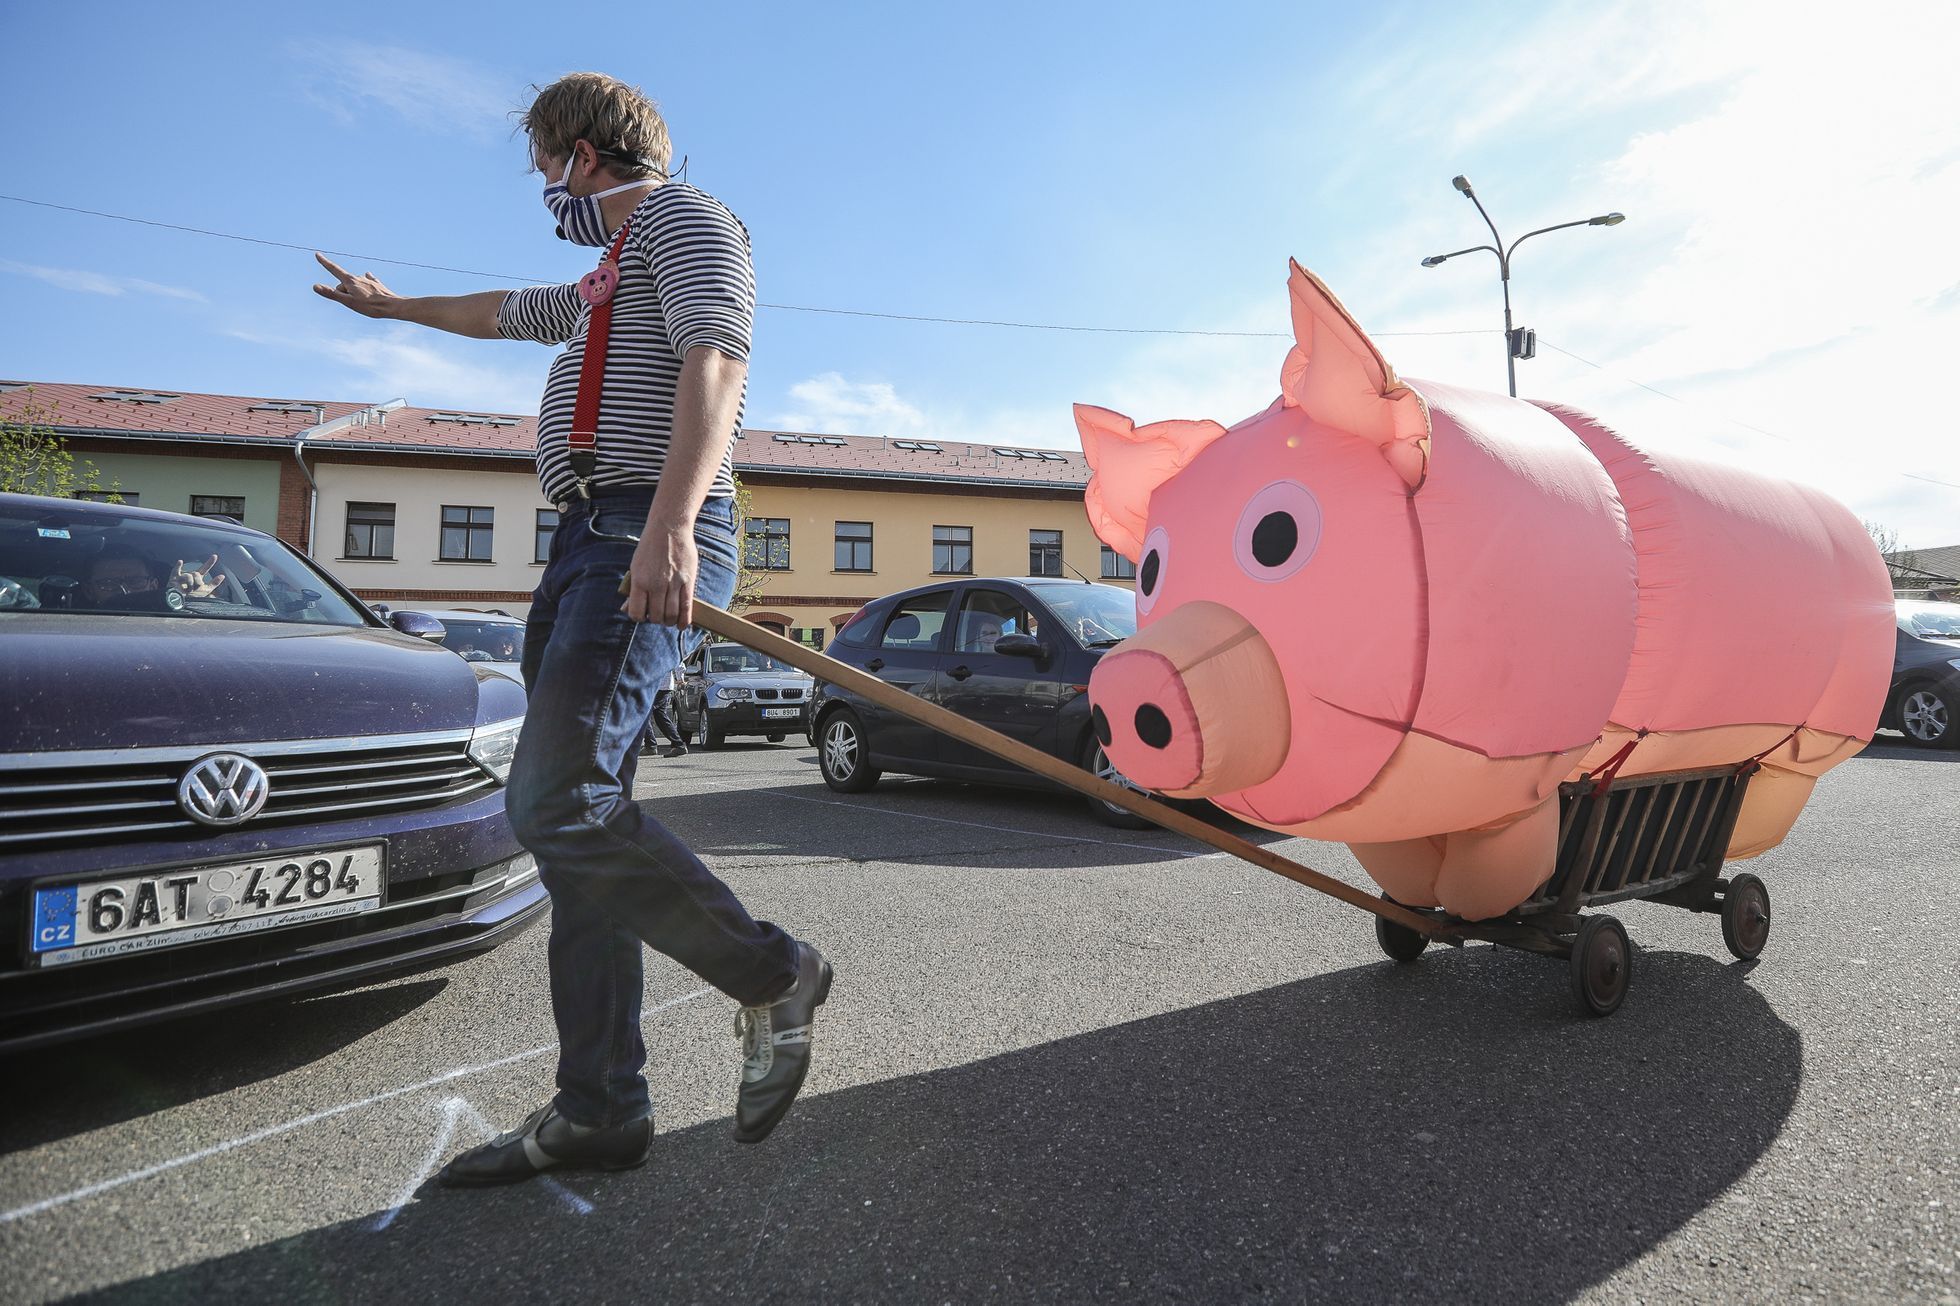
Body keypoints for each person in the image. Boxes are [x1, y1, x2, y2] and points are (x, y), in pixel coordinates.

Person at [313, 72, 831, 1184]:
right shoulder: (604, 280)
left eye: (547, 167)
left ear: (586, 158)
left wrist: (673, 529)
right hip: (588, 535)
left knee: (555, 795)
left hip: (644, 523)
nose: (543, 188)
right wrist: (394, 307)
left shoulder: (688, 219)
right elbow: (503, 311)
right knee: (576, 826)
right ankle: (599, 1108)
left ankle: (772, 972)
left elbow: (719, 359)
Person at [645, 664, 688, 757]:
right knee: (660, 716)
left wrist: (680, 678)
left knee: (642, 714)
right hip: (657, 686)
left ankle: (650, 745)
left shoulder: (661, 648)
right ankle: (678, 745)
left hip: (660, 686)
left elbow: (678, 661)